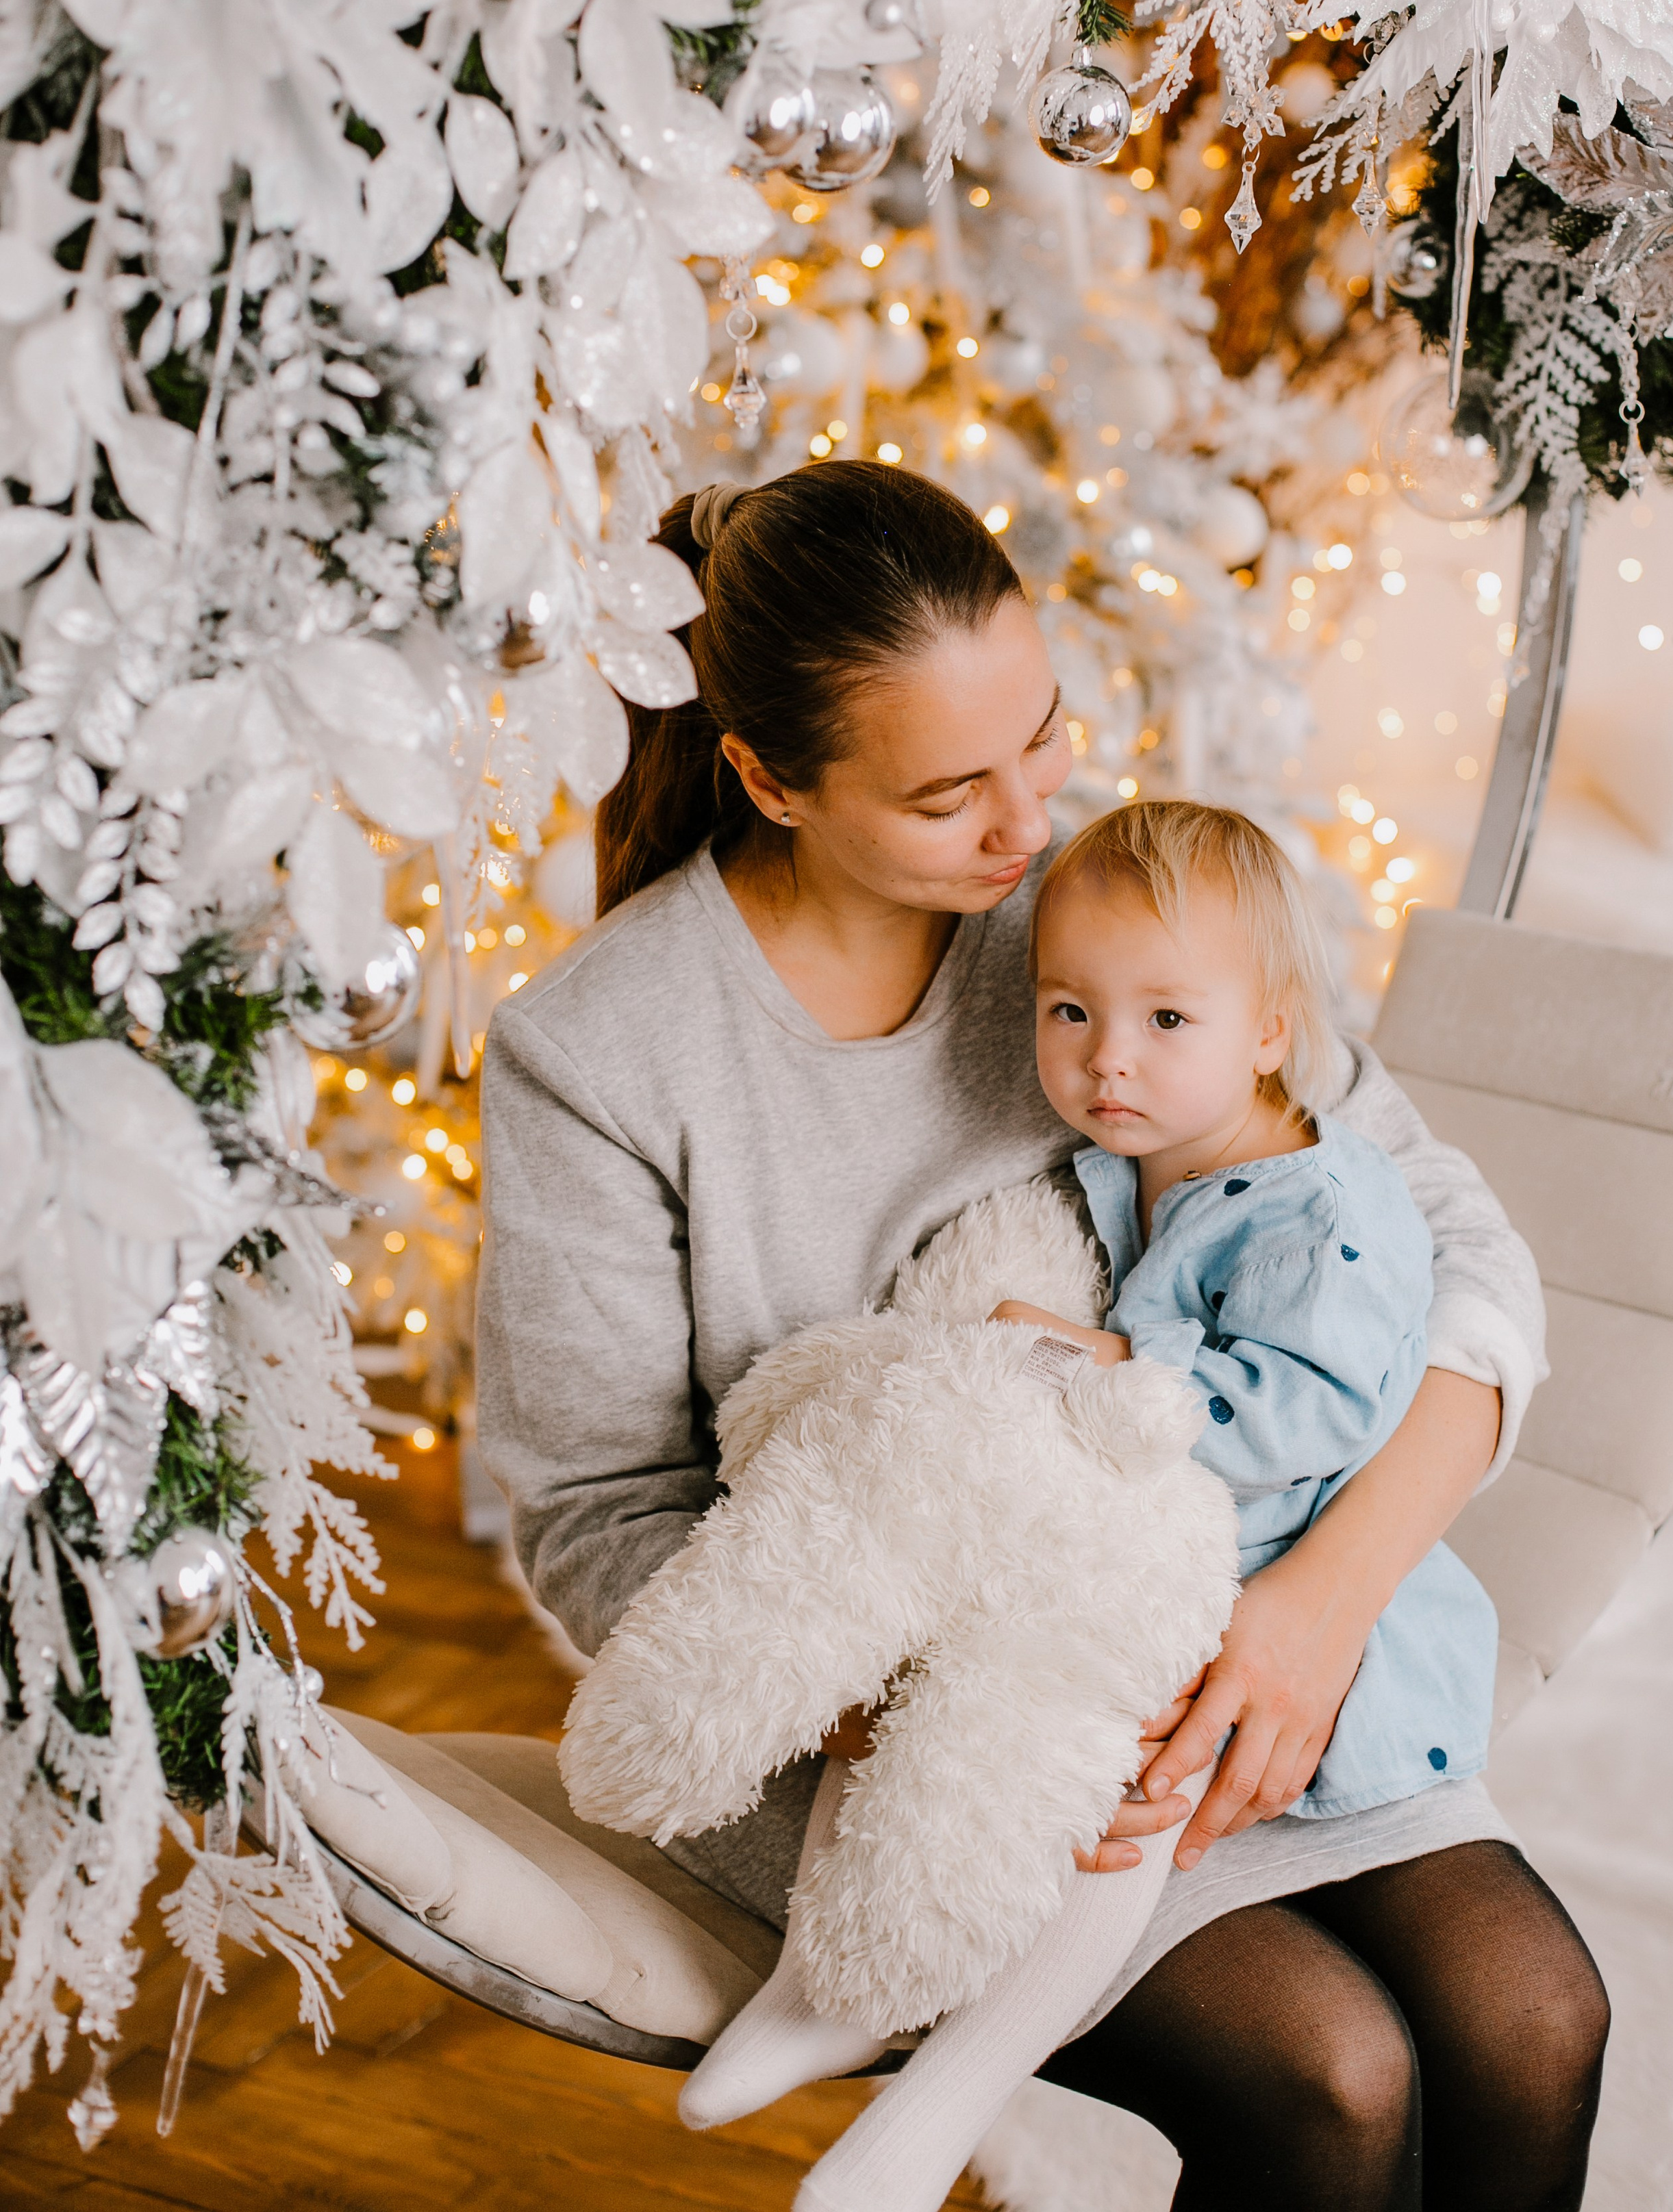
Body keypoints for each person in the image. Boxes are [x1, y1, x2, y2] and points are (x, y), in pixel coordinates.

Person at [477, 460, 1609, 2211]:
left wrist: (1315, 1611)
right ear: (771, 777)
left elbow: (1448, 1249)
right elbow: (597, 1509)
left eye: (1046, 737)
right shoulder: (607, 1056)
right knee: (1333, 2079)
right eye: (947, 795)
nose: (1024, 828)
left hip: (1233, 1623)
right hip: (899, 1720)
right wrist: (917, 1712)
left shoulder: (1100, 918)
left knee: (1535, 2014)